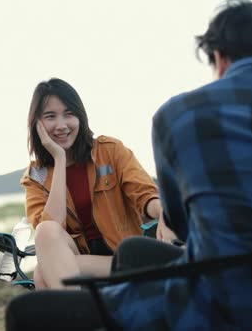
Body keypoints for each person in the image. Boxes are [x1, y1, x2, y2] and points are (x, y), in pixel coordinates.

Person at [5, 0, 252, 329]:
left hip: (215, 304)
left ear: (220, 57)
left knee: (27, 313)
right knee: (134, 253)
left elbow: (179, 220)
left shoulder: (179, 116)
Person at [19, 77, 163, 289]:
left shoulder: (110, 151)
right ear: (37, 123)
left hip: (122, 258)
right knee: (46, 231)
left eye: (69, 114)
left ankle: (81, 316)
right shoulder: (36, 176)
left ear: (80, 116)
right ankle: (84, 314)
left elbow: (144, 195)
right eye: (50, 116)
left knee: (43, 273)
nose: (61, 125)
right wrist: (59, 159)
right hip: (78, 263)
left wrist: (166, 212)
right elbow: (50, 232)